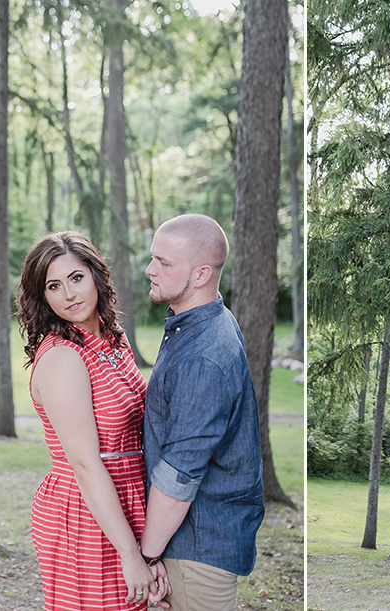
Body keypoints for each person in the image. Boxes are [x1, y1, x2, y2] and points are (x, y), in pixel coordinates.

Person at [16, 231, 169, 611]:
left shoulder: (113, 340)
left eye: (76, 278)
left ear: (96, 276)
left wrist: (149, 544)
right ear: (43, 297)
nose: (69, 294)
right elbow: (85, 465)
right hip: (86, 511)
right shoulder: (62, 358)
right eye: (54, 285)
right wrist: (131, 555)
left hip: (129, 499)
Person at [139, 213, 265, 611]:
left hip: (195, 548)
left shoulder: (203, 355)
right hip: (195, 543)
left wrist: (147, 556)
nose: (150, 269)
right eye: (152, 257)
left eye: (164, 262)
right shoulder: (201, 322)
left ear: (200, 275)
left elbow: (180, 474)